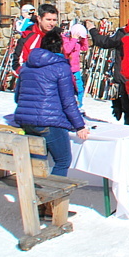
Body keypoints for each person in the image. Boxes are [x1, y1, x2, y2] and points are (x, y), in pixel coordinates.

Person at [14, 29, 89, 180]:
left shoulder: (27, 67)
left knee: (37, 161)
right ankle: (51, 199)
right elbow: (68, 102)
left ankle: (34, 194)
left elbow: (18, 96)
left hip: (26, 120)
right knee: (62, 160)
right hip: (49, 121)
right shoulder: (61, 67)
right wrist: (80, 125)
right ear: (61, 47)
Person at [13, 4, 59, 71]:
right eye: (48, 20)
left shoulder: (58, 36)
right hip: (30, 77)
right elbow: (18, 63)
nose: (51, 23)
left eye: (54, 20)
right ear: (39, 19)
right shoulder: (29, 36)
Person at [63, 23, 90, 110]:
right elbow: (67, 50)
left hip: (76, 69)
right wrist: (74, 39)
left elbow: (85, 48)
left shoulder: (78, 42)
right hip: (67, 69)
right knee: (68, 89)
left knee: (79, 88)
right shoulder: (65, 39)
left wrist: (84, 38)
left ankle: (79, 105)